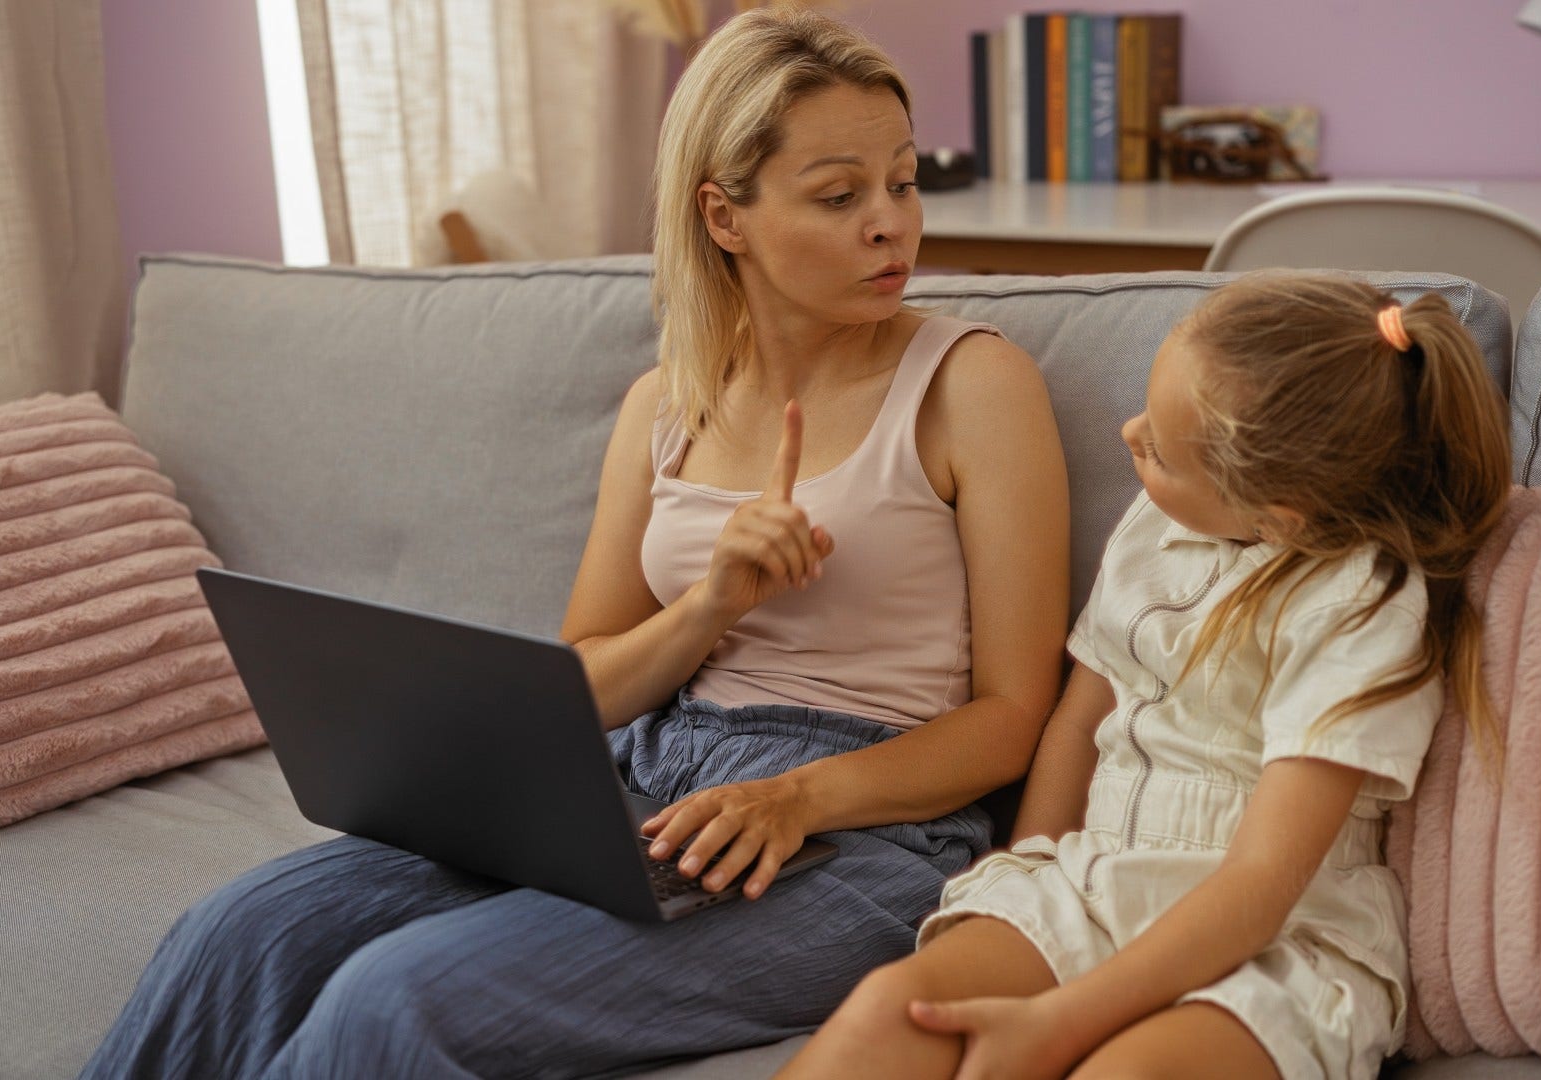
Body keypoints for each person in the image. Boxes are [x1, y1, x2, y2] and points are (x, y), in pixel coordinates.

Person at [80, 9, 1070, 1079]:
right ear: (723, 216)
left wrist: (796, 796)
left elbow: (1013, 719)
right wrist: (707, 608)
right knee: (240, 936)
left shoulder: (973, 385)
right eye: (840, 196)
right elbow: (584, 682)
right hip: (633, 780)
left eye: (904, 183)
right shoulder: (665, 406)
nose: (891, 225)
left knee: (398, 997)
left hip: (863, 831)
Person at [783, 272, 1513, 1080]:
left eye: (1160, 450)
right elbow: (1081, 718)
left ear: (1278, 517)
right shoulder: (1154, 525)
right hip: (1097, 883)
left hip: (1280, 935)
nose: (1128, 434)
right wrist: (1024, 878)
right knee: (888, 1014)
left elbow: (1261, 884)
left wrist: (1060, 1023)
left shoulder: (1363, 606)